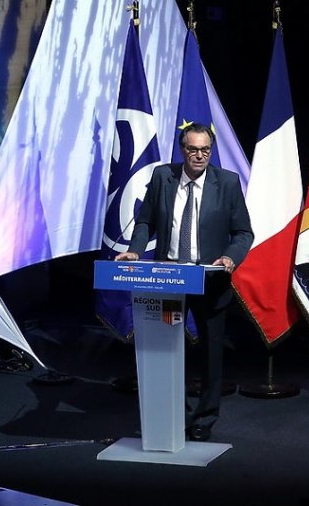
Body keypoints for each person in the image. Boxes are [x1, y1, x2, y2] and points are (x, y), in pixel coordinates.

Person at [115, 122, 253, 441]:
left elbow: (243, 232)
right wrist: (136, 251)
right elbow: (146, 220)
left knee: (210, 352)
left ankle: (205, 417)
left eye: (206, 150)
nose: (200, 156)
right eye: (193, 150)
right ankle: (172, 413)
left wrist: (231, 257)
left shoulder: (227, 183)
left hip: (209, 280)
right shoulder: (164, 177)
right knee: (166, 347)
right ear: (182, 150)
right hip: (169, 280)